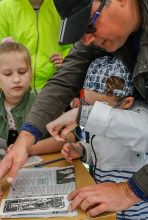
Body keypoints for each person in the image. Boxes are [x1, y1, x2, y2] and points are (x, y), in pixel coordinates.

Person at [0, 0, 148, 215]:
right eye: (80, 31)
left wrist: (128, 192)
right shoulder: (98, 37)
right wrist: (25, 139)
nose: (87, 39)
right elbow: (63, 81)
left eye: (89, 25)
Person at [46, 56, 148, 219]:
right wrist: (82, 150)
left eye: (100, 108)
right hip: (104, 209)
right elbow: (102, 152)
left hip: (135, 214)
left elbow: (142, 133)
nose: (92, 112)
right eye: (88, 104)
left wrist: (85, 114)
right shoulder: (103, 111)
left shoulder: (139, 115)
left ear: (127, 102)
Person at [0, 41, 66, 154]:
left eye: (22, 72)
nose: (16, 79)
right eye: (7, 74)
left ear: (30, 72)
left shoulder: (44, 99)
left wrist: (29, 149)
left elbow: (68, 137)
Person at [0, 0, 72, 91]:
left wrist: (65, 60)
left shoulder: (61, 5)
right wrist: (0, 91)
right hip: (16, 91)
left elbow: (70, 47)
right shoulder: (6, 6)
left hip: (52, 89)